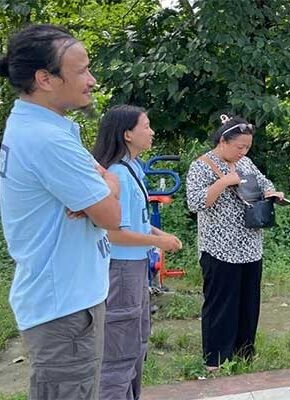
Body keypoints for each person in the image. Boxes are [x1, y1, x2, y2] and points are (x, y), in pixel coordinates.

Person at [0, 24, 121, 399]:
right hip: (65, 312)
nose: (93, 80)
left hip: (67, 302)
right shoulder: (47, 140)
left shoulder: (45, 127)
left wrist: (103, 190)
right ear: (45, 79)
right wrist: (104, 192)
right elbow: (113, 216)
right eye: (82, 70)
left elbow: (107, 190)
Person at [92, 105, 183, 399]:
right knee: (119, 353)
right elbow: (114, 233)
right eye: (146, 126)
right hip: (120, 270)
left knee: (137, 344)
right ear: (127, 134)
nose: (152, 132)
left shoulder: (134, 168)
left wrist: (159, 235)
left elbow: (139, 222)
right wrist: (157, 243)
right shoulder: (116, 174)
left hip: (135, 269)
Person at [186, 115, 284, 371]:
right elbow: (195, 203)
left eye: (247, 147)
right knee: (221, 305)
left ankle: (244, 355)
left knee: (248, 304)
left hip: (250, 246)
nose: (243, 151)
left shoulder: (247, 163)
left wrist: (273, 193)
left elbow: (263, 183)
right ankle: (215, 360)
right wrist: (222, 182)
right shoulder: (202, 166)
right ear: (223, 140)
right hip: (219, 248)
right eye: (239, 146)